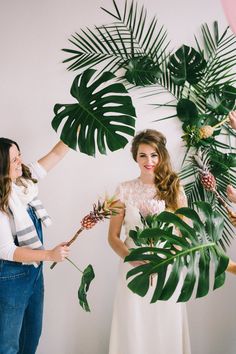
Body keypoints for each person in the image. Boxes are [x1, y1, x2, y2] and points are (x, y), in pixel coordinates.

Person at [108, 129, 191, 354]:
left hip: (168, 268)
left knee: (165, 327)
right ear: (135, 157)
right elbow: (113, 237)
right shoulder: (123, 190)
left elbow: (183, 235)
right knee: (134, 328)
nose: (149, 161)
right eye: (143, 155)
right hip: (133, 269)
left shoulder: (175, 188)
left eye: (154, 155)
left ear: (161, 156)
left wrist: (166, 260)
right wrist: (134, 260)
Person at [0, 137, 70, 354]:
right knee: (8, 345)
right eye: (14, 159)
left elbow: (55, 155)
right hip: (10, 279)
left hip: (34, 273)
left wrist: (75, 128)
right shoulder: (2, 200)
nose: (20, 161)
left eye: (19, 155)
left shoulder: (25, 182)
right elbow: (6, 250)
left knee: (31, 338)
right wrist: (49, 255)